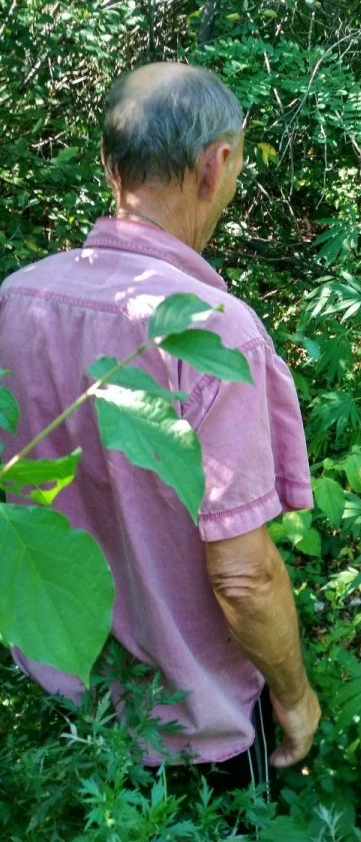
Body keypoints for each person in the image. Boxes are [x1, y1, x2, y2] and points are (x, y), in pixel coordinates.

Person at [0, 62, 321, 784]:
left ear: (110, 167)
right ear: (217, 165)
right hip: (190, 730)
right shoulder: (215, 335)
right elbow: (244, 577)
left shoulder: (16, 300)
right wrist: (296, 699)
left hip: (60, 703)